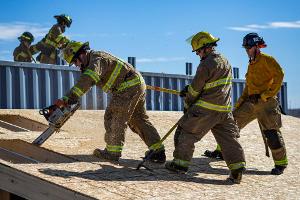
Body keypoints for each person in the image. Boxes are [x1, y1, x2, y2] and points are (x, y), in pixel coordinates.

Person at [54, 41, 166, 163]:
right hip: (135, 83)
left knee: (113, 116)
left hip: (127, 86)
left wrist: (68, 98)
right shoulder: (95, 59)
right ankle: (158, 151)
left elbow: (88, 79)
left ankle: (112, 152)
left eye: (75, 62)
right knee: (138, 119)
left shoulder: (96, 59)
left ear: (81, 55)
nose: (76, 65)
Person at [165, 31, 246, 184]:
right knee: (229, 140)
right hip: (224, 111)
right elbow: (212, 85)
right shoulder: (225, 61)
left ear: (206, 48)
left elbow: (196, 89)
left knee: (186, 133)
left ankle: (179, 165)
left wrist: (188, 99)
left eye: (198, 51)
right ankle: (237, 170)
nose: (197, 54)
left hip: (206, 109)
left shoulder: (206, 64)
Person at [203, 33, 287, 175]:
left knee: (272, 134)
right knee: (230, 124)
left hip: (266, 103)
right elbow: (249, 86)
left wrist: (268, 94)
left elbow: (280, 74)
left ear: (257, 46)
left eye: (248, 48)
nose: (246, 50)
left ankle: (280, 164)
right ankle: (221, 151)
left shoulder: (267, 60)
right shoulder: (251, 64)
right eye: (245, 48)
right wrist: (240, 102)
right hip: (250, 102)